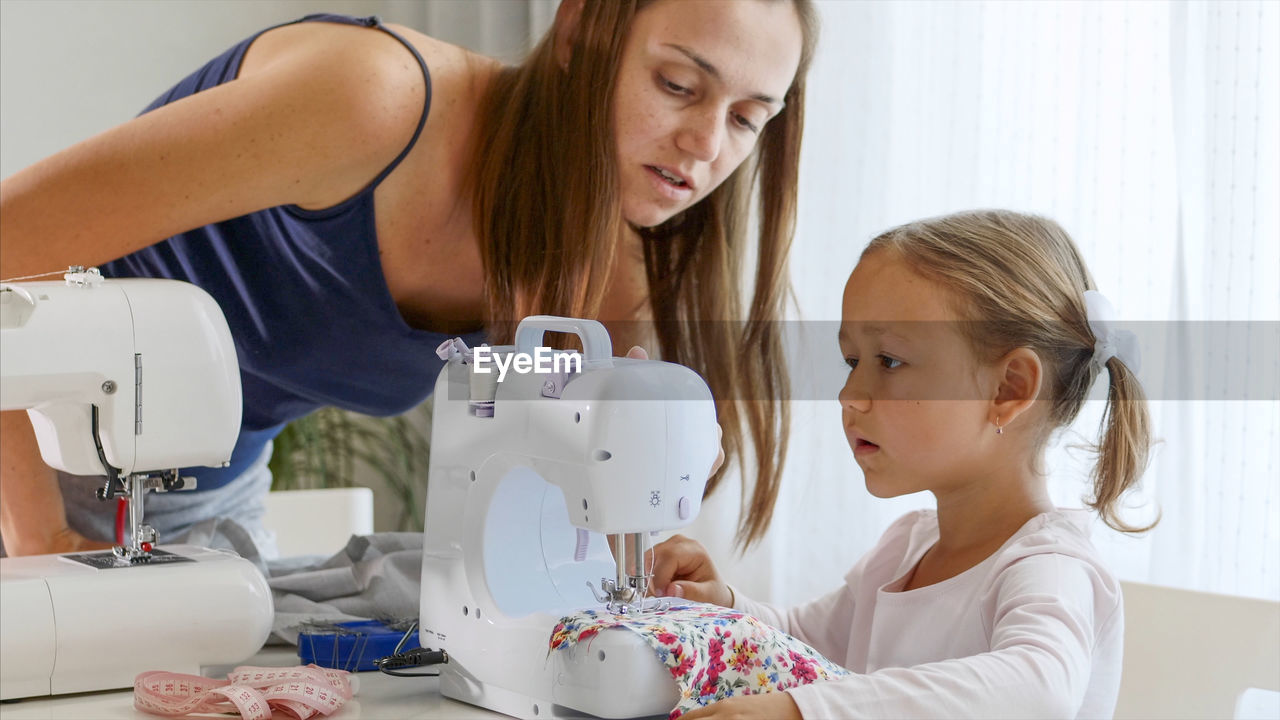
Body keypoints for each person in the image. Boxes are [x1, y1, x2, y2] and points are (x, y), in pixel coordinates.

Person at [0, 0, 818, 557]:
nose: (707, 144)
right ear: (576, 33)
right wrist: (36, 532)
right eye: (678, 85)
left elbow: (584, 504)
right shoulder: (374, 103)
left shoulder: (620, 266)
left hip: (199, 503)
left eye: (749, 118)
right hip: (19, 455)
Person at [649, 209, 1155, 719]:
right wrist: (726, 607)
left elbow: (1039, 689)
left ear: (1010, 388)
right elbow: (806, 643)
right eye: (852, 361)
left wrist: (804, 712)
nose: (849, 395)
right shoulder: (904, 550)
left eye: (889, 361)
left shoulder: (1048, 567)